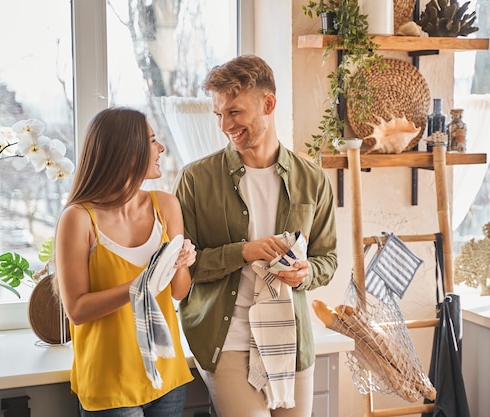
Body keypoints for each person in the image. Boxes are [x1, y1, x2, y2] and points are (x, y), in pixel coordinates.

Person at [174, 54, 338, 417]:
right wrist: (243, 252)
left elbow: (328, 258)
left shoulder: (313, 180)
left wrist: (306, 273)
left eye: (234, 112)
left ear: (268, 104)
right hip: (226, 341)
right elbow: (182, 269)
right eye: (218, 114)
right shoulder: (195, 180)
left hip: (291, 342)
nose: (224, 125)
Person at [54, 107, 195, 417]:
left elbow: (178, 292)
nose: (161, 148)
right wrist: (140, 285)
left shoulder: (166, 205)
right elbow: (76, 310)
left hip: (167, 376)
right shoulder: (78, 219)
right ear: (126, 152)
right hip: (109, 383)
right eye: (153, 140)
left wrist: (181, 260)